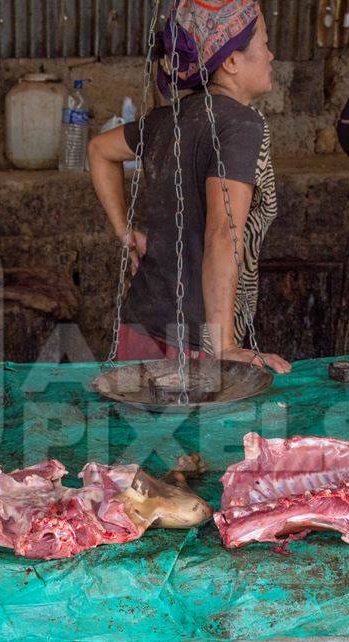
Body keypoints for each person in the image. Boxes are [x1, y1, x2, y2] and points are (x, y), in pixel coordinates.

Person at [88, 0, 290, 373]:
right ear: (231, 61)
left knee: (137, 429)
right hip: (193, 345)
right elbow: (223, 233)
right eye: (264, 44)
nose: (271, 54)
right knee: (191, 433)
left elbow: (99, 150)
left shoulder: (166, 120)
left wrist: (124, 231)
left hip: (140, 325)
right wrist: (225, 343)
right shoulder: (240, 125)